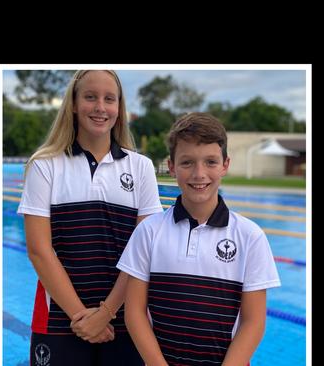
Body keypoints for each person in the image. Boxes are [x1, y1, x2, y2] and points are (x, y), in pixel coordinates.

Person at [17, 70, 163, 366]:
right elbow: (39, 251)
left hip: (128, 319)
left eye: (110, 99)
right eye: (90, 97)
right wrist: (81, 317)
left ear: (119, 109)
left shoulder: (141, 167)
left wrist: (106, 313)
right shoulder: (45, 165)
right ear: (72, 103)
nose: (100, 107)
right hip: (58, 319)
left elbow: (143, 254)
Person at [118, 113, 281, 365]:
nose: (199, 173)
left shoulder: (250, 236)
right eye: (187, 163)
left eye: (210, 162)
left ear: (225, 165)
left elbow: (253, 322)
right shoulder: (149, 231)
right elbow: (135, 312)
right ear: (171, 166)